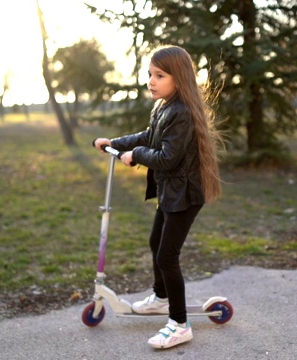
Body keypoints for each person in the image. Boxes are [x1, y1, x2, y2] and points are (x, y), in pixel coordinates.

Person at [93, 45, 222, 349]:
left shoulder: (183, 112)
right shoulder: (164, 106)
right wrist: (115, 142)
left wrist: (134, 155)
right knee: (156, 242)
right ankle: (161, 298)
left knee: (167, 255)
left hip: (185, 194)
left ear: (178, 78)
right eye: (150, 74)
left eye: (159, 75)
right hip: (171, 191)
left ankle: (179, 324)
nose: (151, 80)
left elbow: (167, 157)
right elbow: (149, 136)